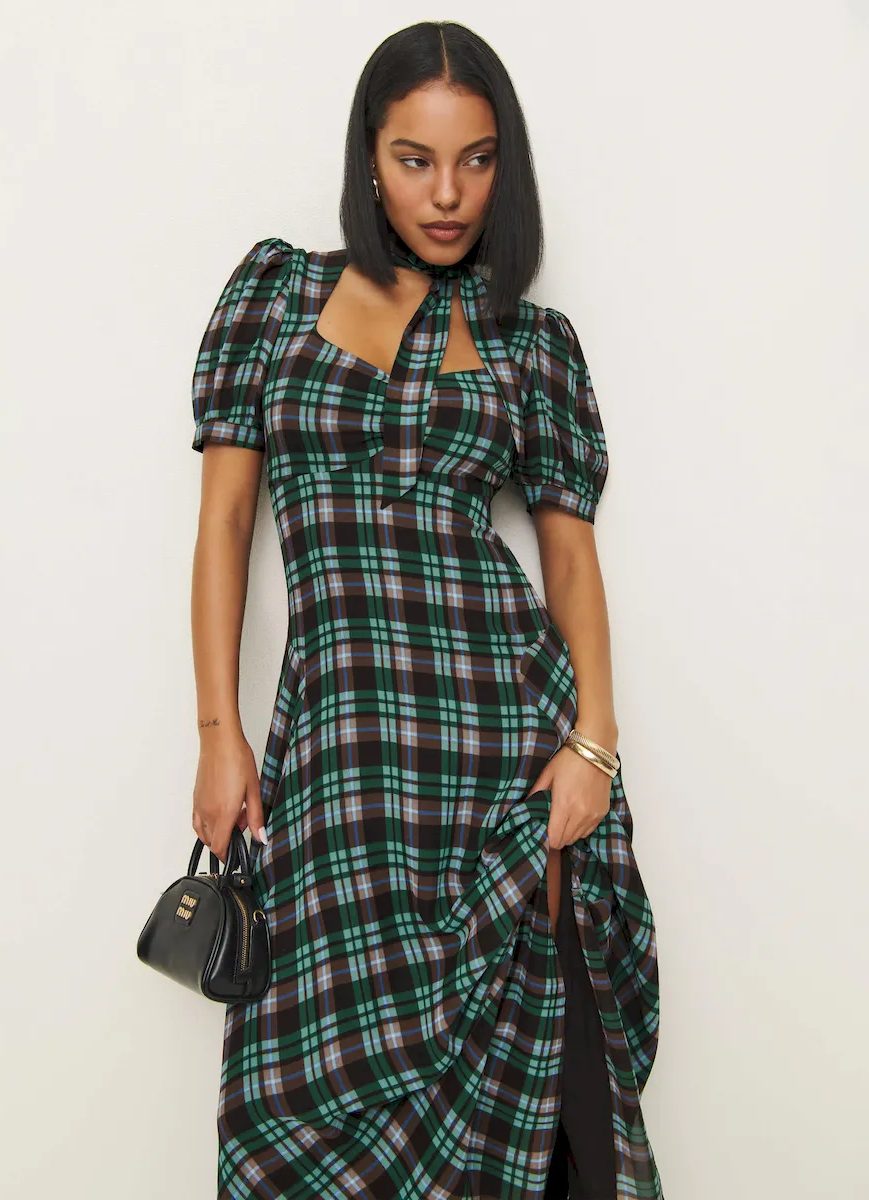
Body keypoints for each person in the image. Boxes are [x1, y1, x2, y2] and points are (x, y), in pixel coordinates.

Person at [189, 20, 663, 1200]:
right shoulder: (276, 296)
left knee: (535, 1088)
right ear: (369, 158)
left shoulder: (528, 342)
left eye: (477, 160)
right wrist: (218, 733)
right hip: (342, 760)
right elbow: (227, 524)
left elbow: (568, 561)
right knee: (301, 1092)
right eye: (416, 160)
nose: (447, 194)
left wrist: (594, 743)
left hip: (502, 750)